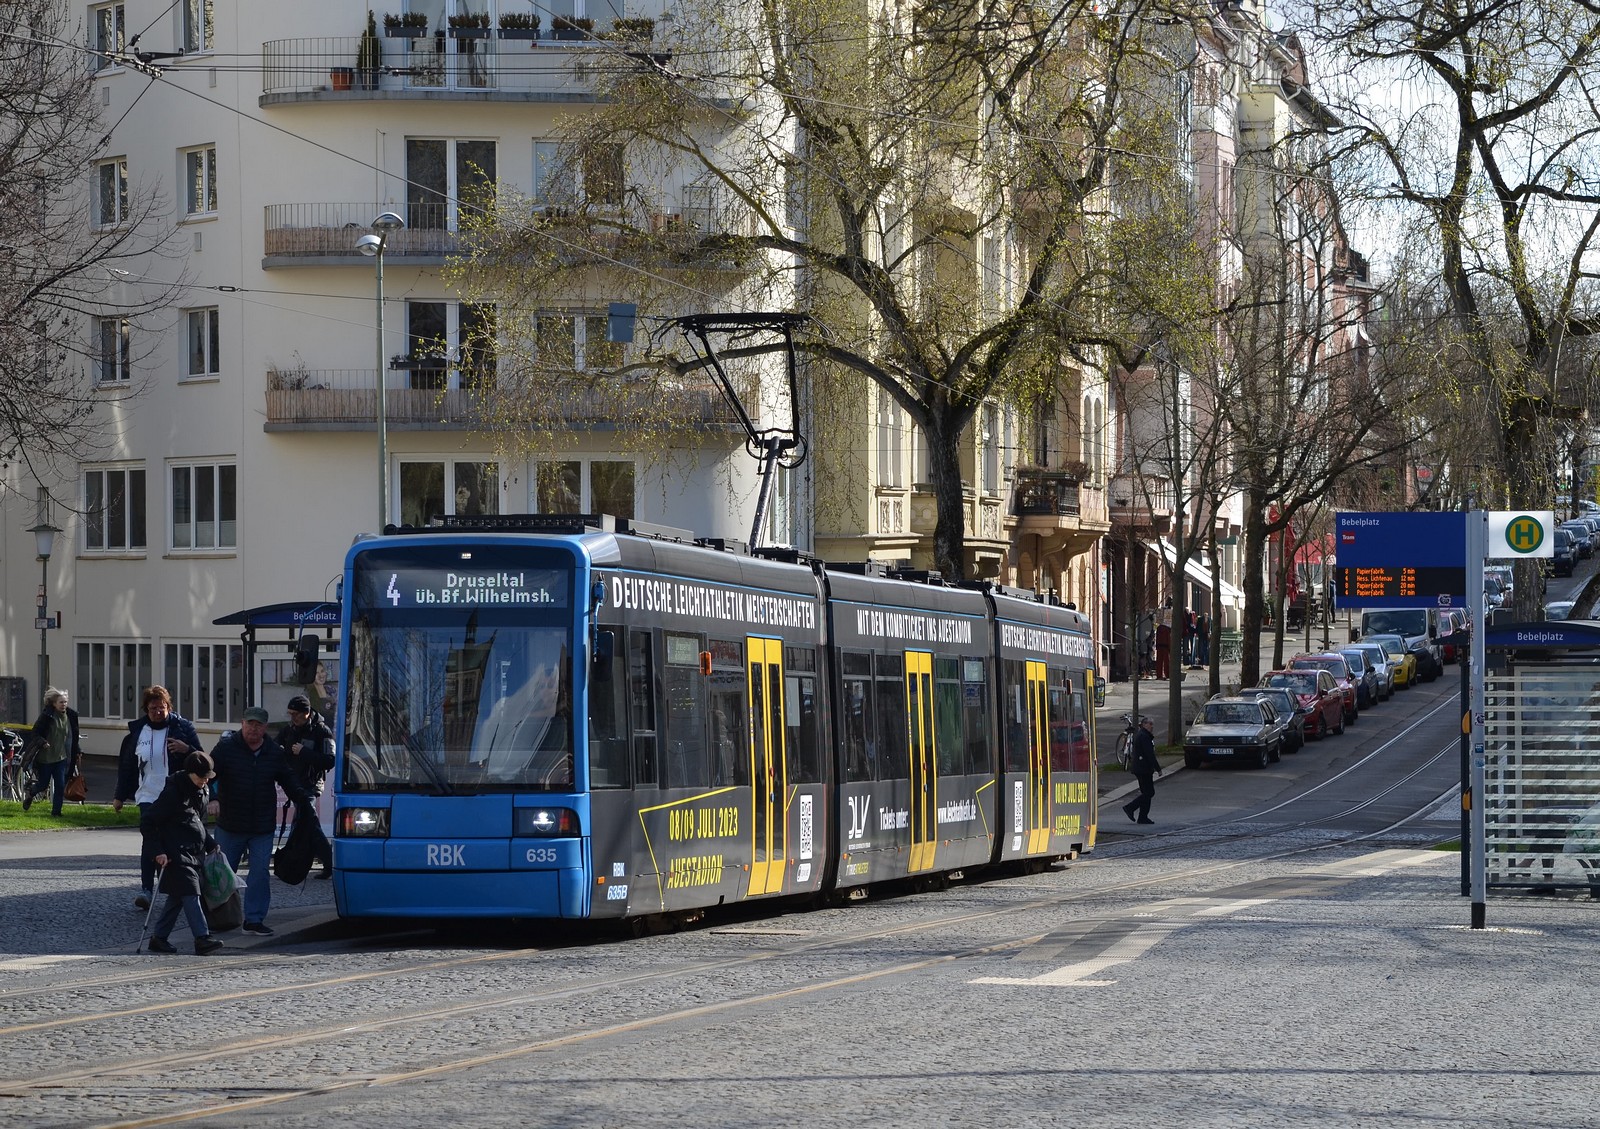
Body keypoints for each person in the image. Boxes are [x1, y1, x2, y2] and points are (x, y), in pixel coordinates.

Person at [211, 705, 313, 935]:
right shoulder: (226, 748)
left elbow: (288, 779)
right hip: (230, 823)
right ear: (242, 724)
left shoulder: (273, 752)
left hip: (261, 825)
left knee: (259, 873)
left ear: (265, 727)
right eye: (250, 723)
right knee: (223, 875)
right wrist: (213, 798)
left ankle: (254, 919)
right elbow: (208, 775)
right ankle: (217, 920)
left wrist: (302, 800)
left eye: (258, 725)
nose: (253, 729)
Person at [113, 686, 204, 910]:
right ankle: (146, 889)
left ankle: (182, 889)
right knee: (150, 840)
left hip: (176, 795)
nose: (158, 712)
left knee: (175, 841)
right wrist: (119, 796)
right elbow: (127, 766)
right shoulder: (138, 732)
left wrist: (187, 749)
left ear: (169, 707)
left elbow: (201, 760)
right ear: (146, 709)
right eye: (153, 708)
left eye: (162, 708)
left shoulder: (182, 728)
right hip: (148, 794)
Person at [141, 751, 224, 955]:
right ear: (190, 773)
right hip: (174, 855)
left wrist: (210, 843)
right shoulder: (172, 793)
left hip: (193, 853)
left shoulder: (202, 790)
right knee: (191, 893)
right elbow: (148, 821)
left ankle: (159, 938)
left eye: (207, 777)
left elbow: (196, 821)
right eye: (201, 777)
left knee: (178, 897)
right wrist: (157, 851)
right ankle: (202, 938)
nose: (205, 781)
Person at [276, 694, 335, 877]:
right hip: (294, 785)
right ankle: (306, 862)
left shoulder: (322, 731)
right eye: (290, 714)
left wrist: (304, 752)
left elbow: (329, 760)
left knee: (310, 823)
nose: (292, 718)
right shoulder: (289, 730)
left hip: (310, 785)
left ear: (307, 713)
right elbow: (273, 747)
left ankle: (327, 863)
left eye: (295, 714)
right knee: (306, 824)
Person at [21, 687, 84, 816]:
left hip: (61, 757)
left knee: (60, 785)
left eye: (65, 702)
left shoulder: (71, 716)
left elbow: (73, 736)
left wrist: (77, 750)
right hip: (46, 758)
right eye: (61, 702)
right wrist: (42, 742)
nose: (64, 704)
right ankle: (31, 793)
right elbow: (35, 733)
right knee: (43, 785)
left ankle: (56, 812)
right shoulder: (47, 716)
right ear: (54, 703)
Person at [1122, 715, 1161, 825]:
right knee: (1149, 792)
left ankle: (1143, 817)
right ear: (1144, 724)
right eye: (1150, 724)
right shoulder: (1144, 736)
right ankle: (1130, 807)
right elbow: (1150, 754)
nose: (1152, 726)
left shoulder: (1143, 735)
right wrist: (1158, 768)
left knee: (1146, 793)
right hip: (1143, 768)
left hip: (1141, 768)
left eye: (1152, 724)